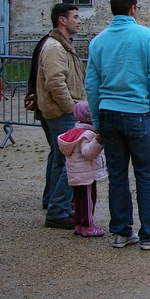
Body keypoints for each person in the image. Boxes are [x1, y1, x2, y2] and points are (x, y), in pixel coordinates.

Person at [86, 0, 150, 250]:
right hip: (137, 112)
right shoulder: (146, 35)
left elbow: (91, 84)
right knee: (146, 175)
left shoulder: (98, 41)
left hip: (108, 113)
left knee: (117, 175)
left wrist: (96, 118)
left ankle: (121, 231)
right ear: (133, 9)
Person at [38, 3, 85, 229]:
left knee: (59, 158)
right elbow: (56, 82)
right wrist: (71, 108)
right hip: (61, 113)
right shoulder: (55, 47)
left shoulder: (61, 45)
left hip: (60, 111)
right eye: (75, 17)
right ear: (62, 20)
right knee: (71, 159)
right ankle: (58, 209)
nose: (79, 20)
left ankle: (53, 201)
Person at [57, 101, 107, 237]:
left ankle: (78, 224)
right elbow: (88, 153)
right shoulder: (88, 134)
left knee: (78, 200)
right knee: (88, 200)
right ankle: (88, 226)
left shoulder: (74, 132)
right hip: (87, 174)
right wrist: (99, 141)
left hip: (76, 174)